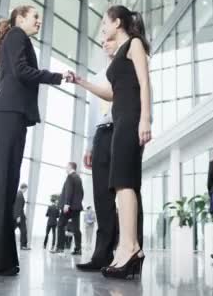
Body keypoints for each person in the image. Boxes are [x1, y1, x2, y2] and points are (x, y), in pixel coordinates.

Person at [0, 5, 72, 277]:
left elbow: (19, 72)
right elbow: (21, 71)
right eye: (35, 17)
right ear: (20, 19)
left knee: (7, 181)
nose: (39, 22)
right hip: (9, 111)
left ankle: (2, 257)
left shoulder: (16, 37)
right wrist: (57, 77)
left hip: (11, 113)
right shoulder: (18, 35)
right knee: (4, 180)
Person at [70, 5, 152, 279]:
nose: (103, 27)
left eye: (105, 22)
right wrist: (83, 82)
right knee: (121, 184)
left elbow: (145, 82)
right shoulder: (120, 53)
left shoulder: (135, 44)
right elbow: (111, 93)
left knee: (125, 182)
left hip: (130, 120)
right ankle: (129, 248)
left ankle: (130, 248)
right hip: (120, 120)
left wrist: (146, 120)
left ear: (117, 22)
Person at [77, 39, 143, 272]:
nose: (106, 43)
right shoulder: (97, 76)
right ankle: (101, 255)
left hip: (123, 128)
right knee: (101, 196)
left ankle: (132, 251)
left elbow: (142, 92)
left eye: (111, 39)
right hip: (101, 133)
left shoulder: (129, 64)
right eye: (103, 41)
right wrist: (88, 146)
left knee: (127, 189)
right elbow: (92, 112)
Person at [53, 162, 84, 255]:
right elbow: (81, 193)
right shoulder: (78, 178)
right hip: (76, 207)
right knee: (76, 228)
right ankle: (78, 249)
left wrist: (67, 204)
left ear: (70, 167)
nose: (65, 168)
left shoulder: (70, 177)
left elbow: (68, 191)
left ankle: (60, 247)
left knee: (60, 225)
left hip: (68, 207)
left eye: (66, 167)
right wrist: (76, 203)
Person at [13, 183, 30, 250]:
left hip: (19, 216)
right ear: (24, 188)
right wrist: (18, 216)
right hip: (19, 217)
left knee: (22, 230)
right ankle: (23, 245)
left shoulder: (18, 194)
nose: (26, 191)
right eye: (26, 189)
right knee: (24, 231)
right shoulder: (19, 195)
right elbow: (18, 207)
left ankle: (23, 245)